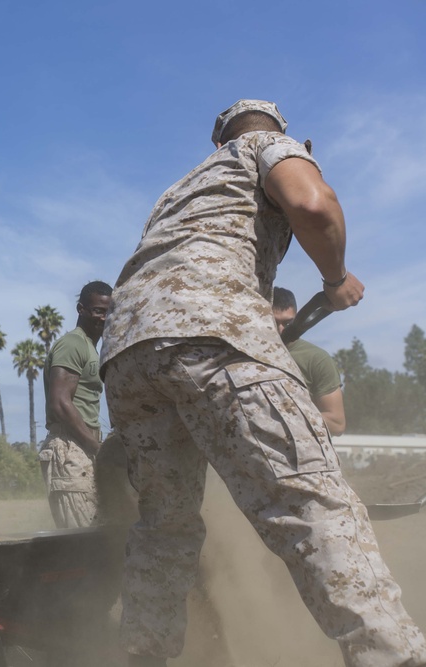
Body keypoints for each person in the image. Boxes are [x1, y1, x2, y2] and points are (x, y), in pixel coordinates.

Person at [100, 99, 426, 667]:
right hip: (215, 332)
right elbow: (311, 203)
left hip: (127, 351)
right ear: (292, 137)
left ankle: (141, 656)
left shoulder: (179, 188)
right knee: (313, 503)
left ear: (213, 138)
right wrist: (336, 276)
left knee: (164, 526)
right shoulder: (264, 147)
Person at [39, 280, 112, 529]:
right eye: (98, 311)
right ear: (81, 309)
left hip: (83, 449)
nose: (103, 318)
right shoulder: (73, 344)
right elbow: (60, 402)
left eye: (108, 311)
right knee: (85, 545)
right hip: (70, 449)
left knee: (102, 538)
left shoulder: (91, 348)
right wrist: (97, 448)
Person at [273, 286, 346, 435]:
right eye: (274, 322)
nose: (281, 330)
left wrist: (279, 419)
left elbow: (336, 423)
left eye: (287, 323)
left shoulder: (316, 359)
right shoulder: (243, 353)